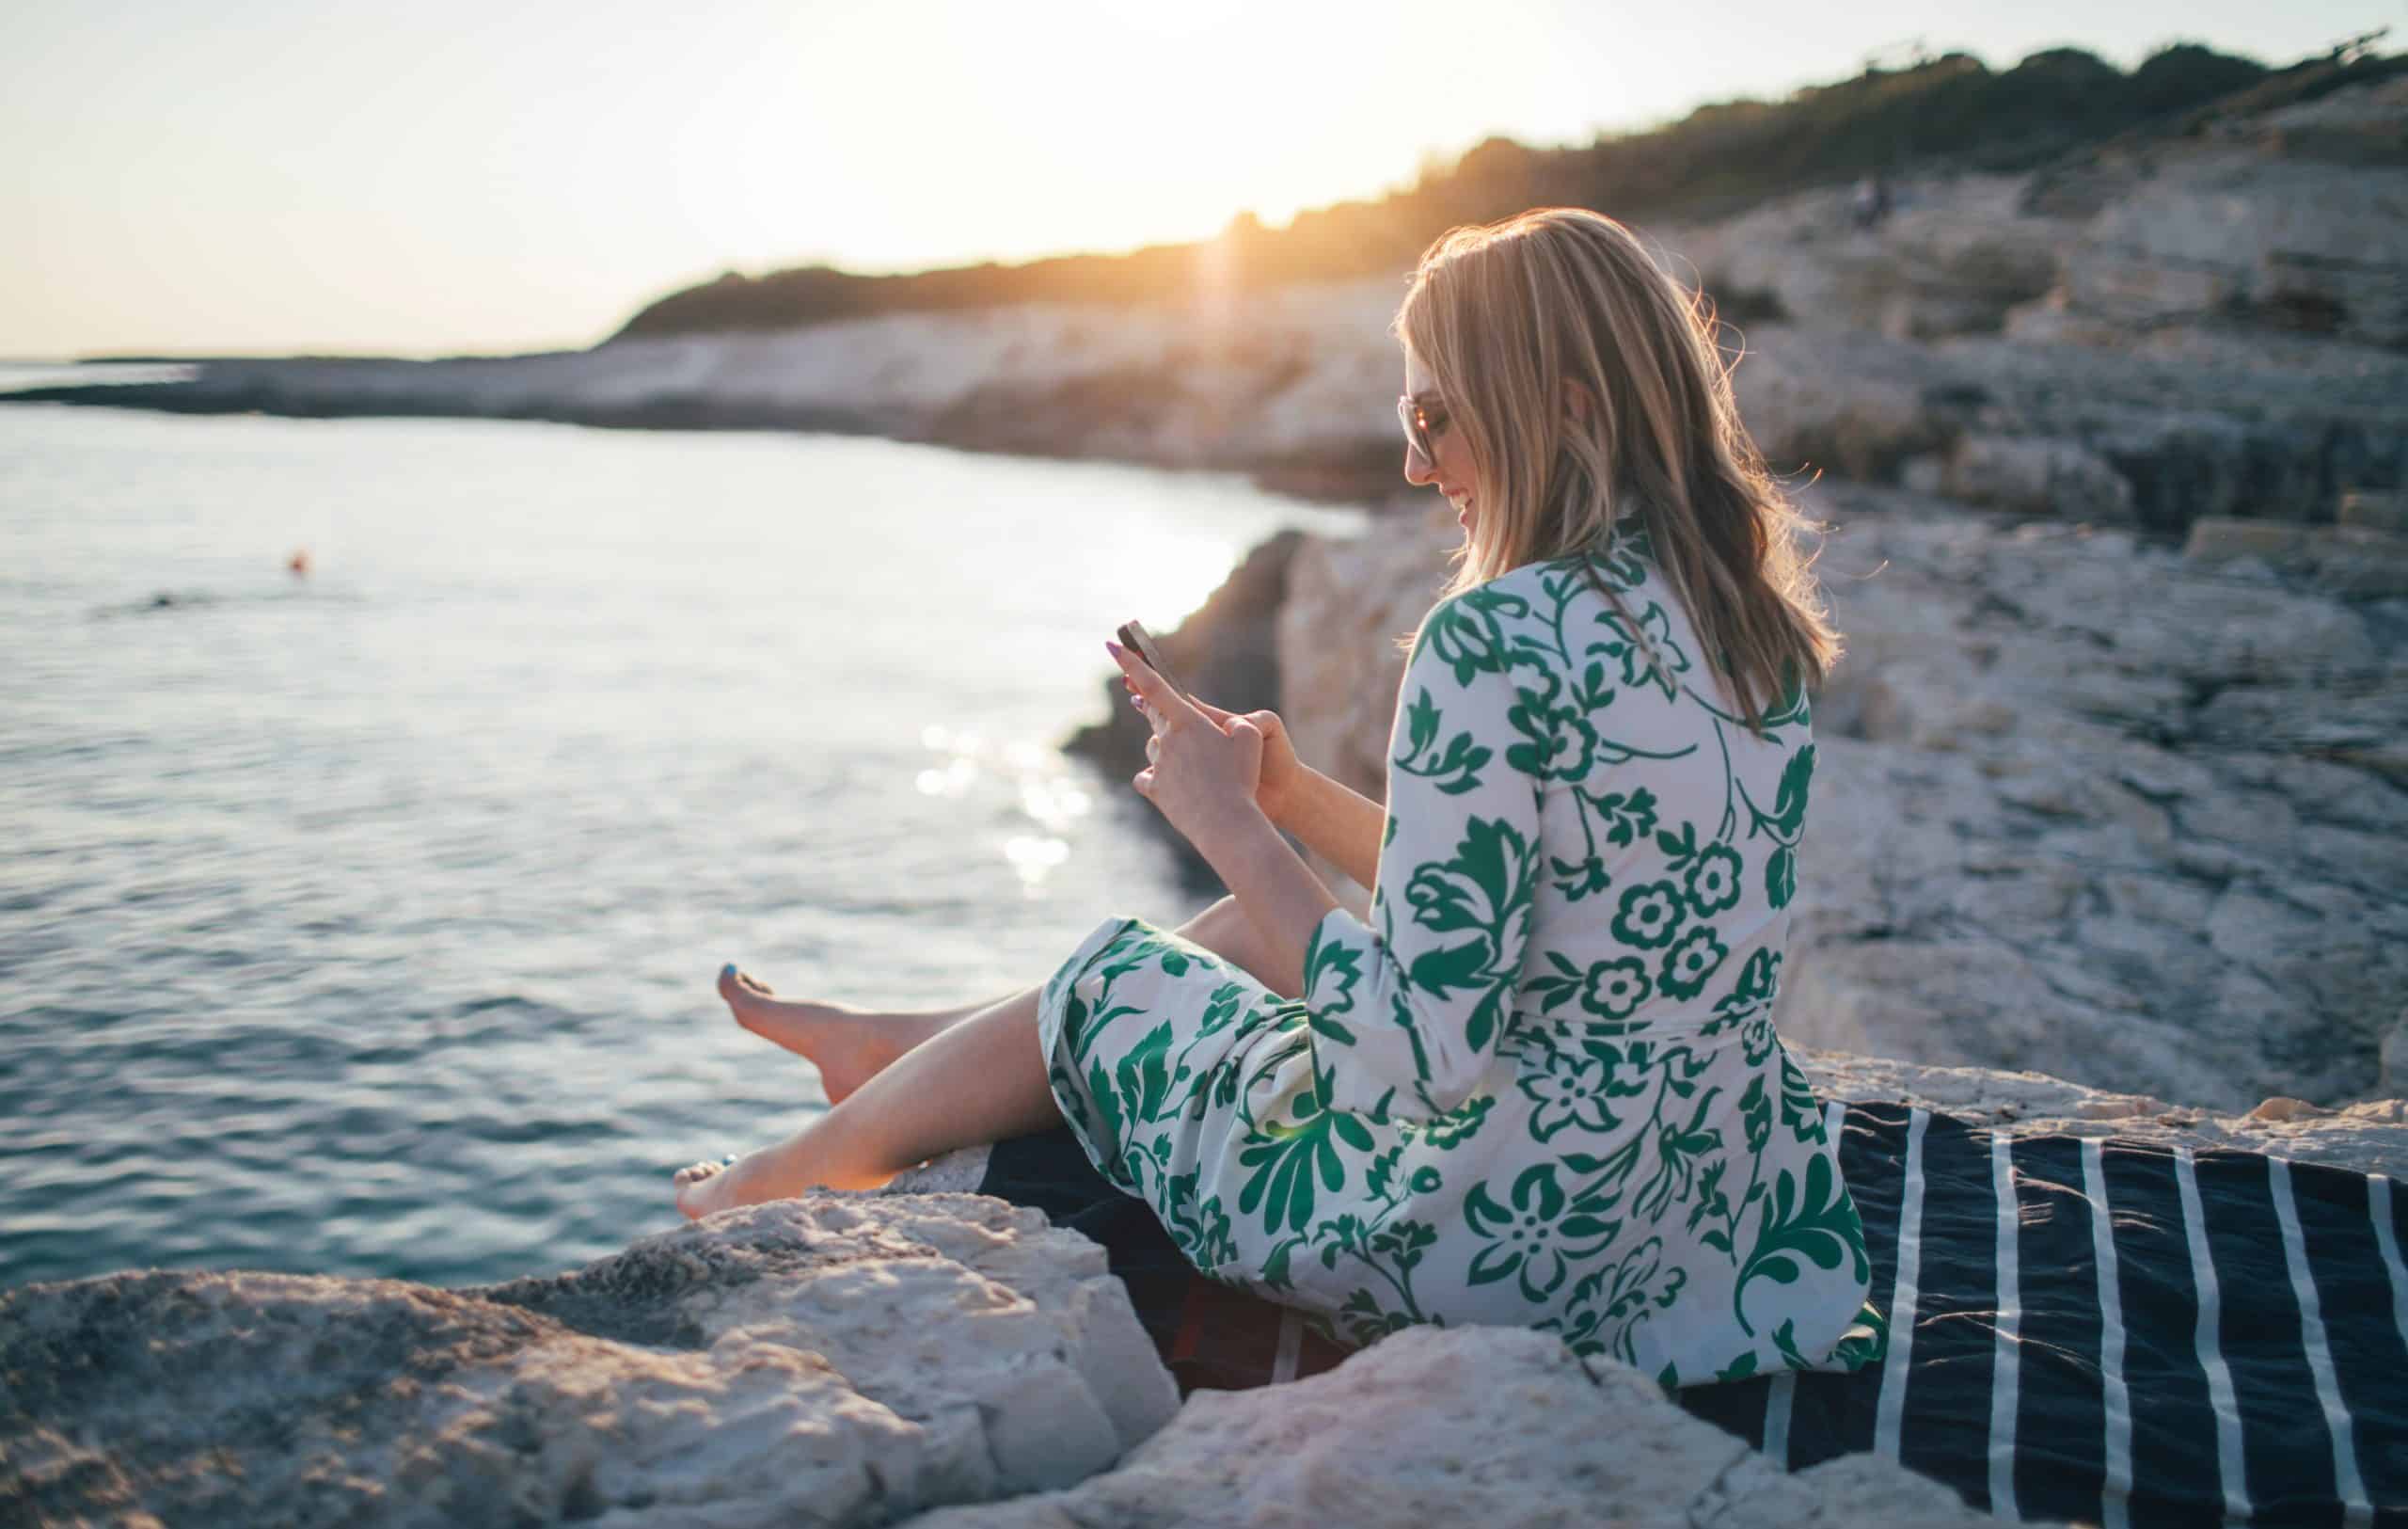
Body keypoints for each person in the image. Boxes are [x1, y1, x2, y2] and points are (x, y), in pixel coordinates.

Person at [673, 207, 1882, 1385]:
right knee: (1263, 926)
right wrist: (1295, 797)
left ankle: (778, 1173)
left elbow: (1429, 1054)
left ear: (1560, 408)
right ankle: (893, 1052)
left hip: (1500, 1243)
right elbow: (1567, 899)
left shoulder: (1493, 637)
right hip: (1693, 1221)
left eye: (1433, 415)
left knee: (1114, 975)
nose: (1414, 462)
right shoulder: (1746, 625)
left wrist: (1227, 825)